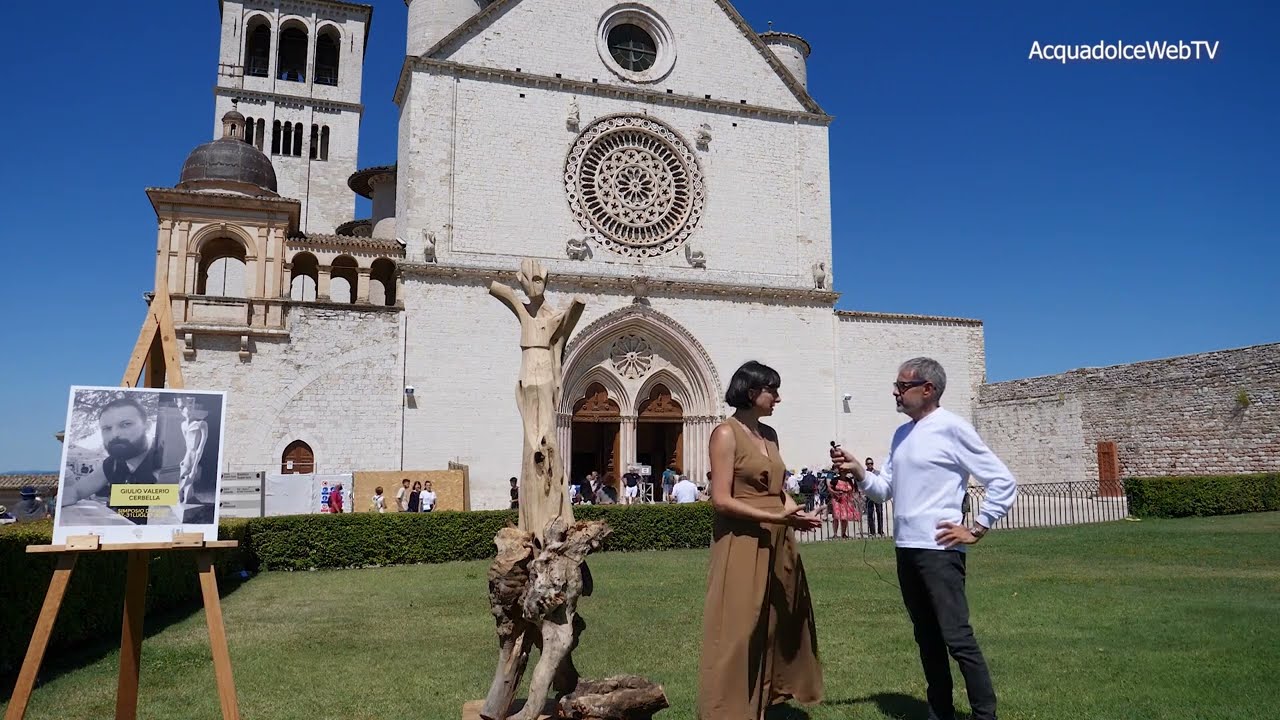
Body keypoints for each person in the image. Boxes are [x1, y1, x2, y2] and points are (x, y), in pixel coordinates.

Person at [830, 357, 1018, 720]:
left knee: (957, 638)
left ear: (928, 389)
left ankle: (985, 715)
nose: (895, 392)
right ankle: (940, 712)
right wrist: (858, 472)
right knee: (926, 637)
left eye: (902, 386)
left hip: (940, 551)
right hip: (906, 548)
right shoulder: (901, 435)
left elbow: (1003, 481)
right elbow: (883, 490)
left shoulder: (953, 428)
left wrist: (977, 527)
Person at [698, 360, 823, 719]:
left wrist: (795, 514)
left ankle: (767, 698)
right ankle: (727, 710)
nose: (778, 398)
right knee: (739, 626)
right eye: (773, 390)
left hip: (778, 538)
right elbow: (721, 499)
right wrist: (774, 517)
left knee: (779, 620)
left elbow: (777, 491)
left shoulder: (770, 435)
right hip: (742, 539)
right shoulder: (726, 433)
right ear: (752, 392)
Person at [827, 470, 857, 539]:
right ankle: (835, 534)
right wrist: (834, 492)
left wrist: (852, 498)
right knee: (836, 517)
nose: (844, 473)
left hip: (846, 500)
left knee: (844, 517)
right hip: (837, 499)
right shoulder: (835, 480)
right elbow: (829, 488)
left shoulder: (849, 480)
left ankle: (843, 533)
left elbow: (852, 489)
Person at [863, 457, 886, 537]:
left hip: (877, 495)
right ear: (866, 464)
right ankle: (872, 532)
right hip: (869, 496)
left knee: (879, 512)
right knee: (870, 514)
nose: (870, 465)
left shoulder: (878, 473)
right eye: (868, 463)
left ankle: (880, 531)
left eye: (871, 463)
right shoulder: (865, 474)